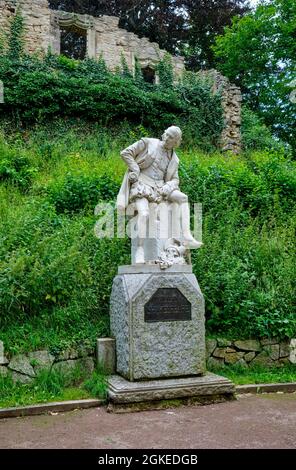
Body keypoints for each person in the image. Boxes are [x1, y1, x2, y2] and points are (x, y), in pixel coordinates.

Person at [117, 126, 202, 263]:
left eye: (171, 138)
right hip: (143, 185)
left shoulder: (174, 159)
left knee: (183, 198)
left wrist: (168, 187)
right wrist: (135, 168)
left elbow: (175, 179)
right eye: (166, 135)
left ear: (176, 143)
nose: (166, 138)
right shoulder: (148, 143)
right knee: (144, 214)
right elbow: (125, 153)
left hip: (161, 188)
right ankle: (140, 249)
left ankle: (187, 236)